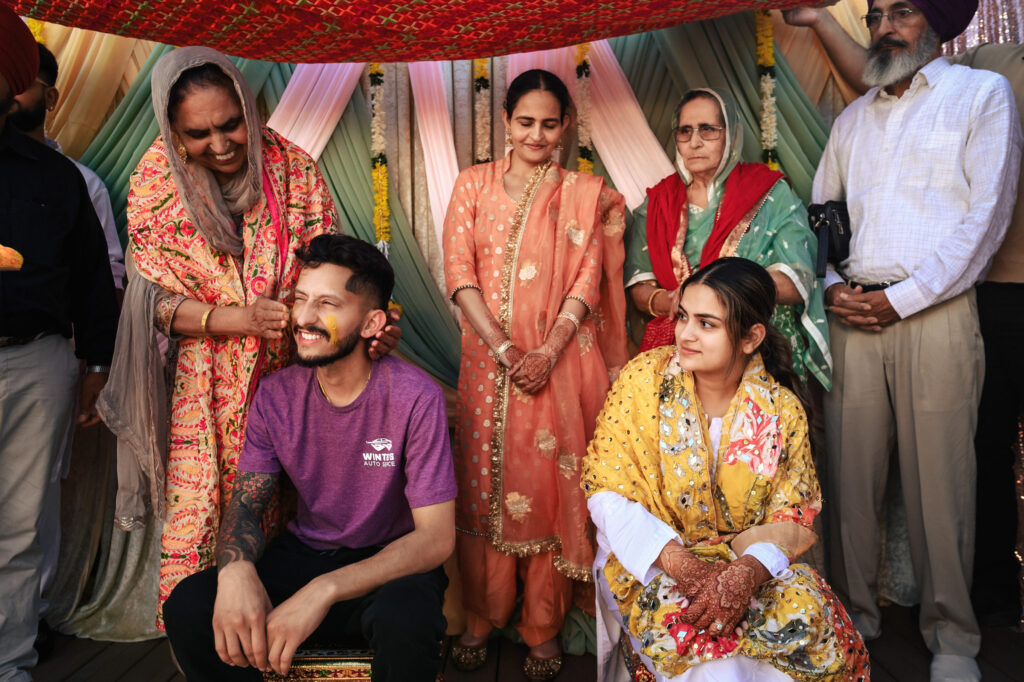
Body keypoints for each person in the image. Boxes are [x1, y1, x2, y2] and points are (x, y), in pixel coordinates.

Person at [95, 46, 400, 628]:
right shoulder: (156, 181)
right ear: (173, 129)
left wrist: (363, 326)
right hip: (199, 394)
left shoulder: (292, 168)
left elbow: (329, 272)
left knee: (291, 520)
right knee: (200, 521)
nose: (221, 143)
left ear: (250, 104)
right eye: (198, 133)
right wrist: (235, 320)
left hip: (295, 378)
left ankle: (285, 642)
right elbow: (150, 305)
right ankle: (203, 649)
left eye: (231, 123)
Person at [785, 1, 1024, 629]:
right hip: (853, 316)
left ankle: (952, 634)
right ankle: (854, 622)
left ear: (938, 22)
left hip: (936, 313)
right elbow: (823, 217)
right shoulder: (853, 118)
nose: (884, 28)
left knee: (941, 484)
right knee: (851, 482)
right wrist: (834, 287)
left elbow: (987, 218)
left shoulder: (981, 94)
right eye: (874, 17)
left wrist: (904, 298)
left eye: (901, 13)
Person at [163, 234, 455, 681]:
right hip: (301, 557)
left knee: (407, 617)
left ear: (373, 321)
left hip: (385, 567)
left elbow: (435, 540)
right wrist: (236, 570)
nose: (304, 317)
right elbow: (245, 505)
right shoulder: (276, 396)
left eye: (327, 304)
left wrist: (325, 590)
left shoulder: (416, 398)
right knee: (188, 604)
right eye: (300, 299)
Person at [583, 258, 869, 682]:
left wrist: (744, 574)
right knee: (710, 657)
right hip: (653, 556)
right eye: (683, 317)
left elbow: (792, 512)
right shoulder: (643, 380)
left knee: (810, 624)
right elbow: (605, 488)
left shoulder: (777, 410)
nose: (685, 333)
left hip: (746, 566)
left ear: (751, 337)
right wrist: (681, 563)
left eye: (706, 323)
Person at [443, 68, 629, 679]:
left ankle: (541, 625)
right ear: (505, 122)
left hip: (556, 364)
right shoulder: (472, 186)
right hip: (486, 367)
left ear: (566, 125)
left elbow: (587, 277)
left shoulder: (580, 191)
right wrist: (503, 348)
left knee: (549, 485)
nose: (538, 134)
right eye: (526, 122)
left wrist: (547, 350)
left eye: (550, 123)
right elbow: (458, 272)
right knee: (482, 484)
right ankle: (478, 616)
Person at [0, 5, 119, 679]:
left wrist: (97, 364)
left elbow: (93, 284)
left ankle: (8, 665)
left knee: (20, 527)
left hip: (34, 361)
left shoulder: (57, 177)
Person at [625, 88, 830, 390]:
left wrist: (723, 293)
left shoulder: (770, 193)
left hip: (757, 349)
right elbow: (639, 285)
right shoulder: (657, 203)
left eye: (707, 129)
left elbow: (796, 278)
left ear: (731, 136)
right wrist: (668, 300)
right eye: (685, 131)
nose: (695, 142)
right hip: (683, 350)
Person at [11, 42, 124, 292]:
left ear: (50, 97)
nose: (7, 93)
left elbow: (107, 276)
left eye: (19, 84)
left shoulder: (81, 183)